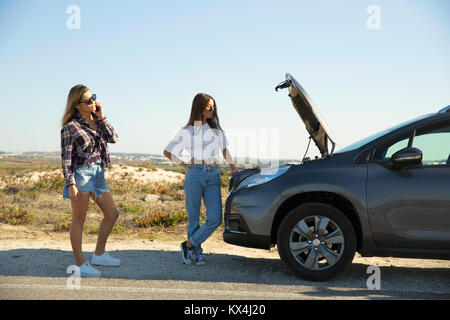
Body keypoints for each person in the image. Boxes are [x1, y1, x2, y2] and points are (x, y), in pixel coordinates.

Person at [163, 93, 238, 266]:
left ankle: (189, 245)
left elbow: (224, 150)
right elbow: (167, 152)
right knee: (194, 217)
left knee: (215, 218)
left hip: (214, 174)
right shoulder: (187, 130)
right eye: (209, 107)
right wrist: (184, 163)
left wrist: (232, 166)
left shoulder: (216, 130)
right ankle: (196, 252)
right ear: (199, 107)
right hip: (195, 174)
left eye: (214, 107)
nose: (213, 110)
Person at [61, 84, 121, 278]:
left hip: (97, 174)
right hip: (81, 174)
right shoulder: (71, 127)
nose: (92, 101)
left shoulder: (97, 121)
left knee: (112, 213)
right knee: (79, 219)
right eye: (88, 100)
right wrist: (71, 184)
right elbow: (66, 159)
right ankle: (80, 263)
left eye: (93, 97)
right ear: (77, 105)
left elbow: (113, 138)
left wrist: (102, 116)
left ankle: (99, 253)